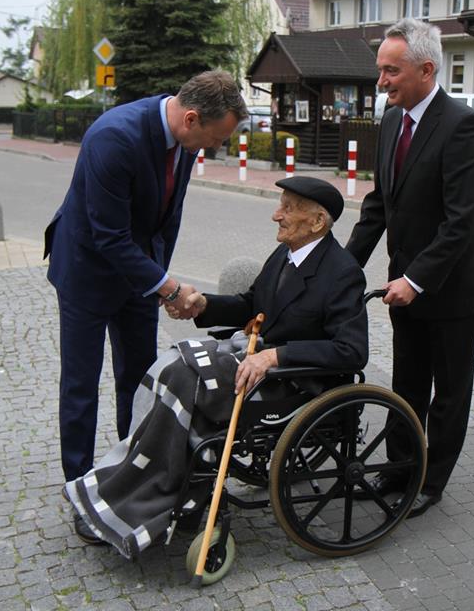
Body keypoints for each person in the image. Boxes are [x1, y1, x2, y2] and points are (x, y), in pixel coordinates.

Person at [64, 176, 368, 556]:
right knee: (172, 366)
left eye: (288, 208)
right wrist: (203, 305)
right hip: (255, 362)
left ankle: (159, 496)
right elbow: (251, 303)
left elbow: (352, 350)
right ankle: (148, 483)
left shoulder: (341, 272)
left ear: (318, 221)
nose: (277, 215)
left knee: (183, 379)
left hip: (293, 380)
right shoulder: (287, 255)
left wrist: (276, 356)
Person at [45, 70, 247, 543]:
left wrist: (162, 283)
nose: (213, 149)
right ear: (192, 117)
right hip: (87, 272)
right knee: (80, 383)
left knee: (138, 380)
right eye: (215, 139)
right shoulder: (113, 138)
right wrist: (168, 288)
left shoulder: (187, 139)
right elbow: (108, 235)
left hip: (138, 276)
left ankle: (129, 475)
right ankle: (80, 489)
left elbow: (166, 219)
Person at [346, 18, 474, 518]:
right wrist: (342, 270)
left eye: (391, 71)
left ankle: (430, 483)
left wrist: (416, 278)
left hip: (449, 291)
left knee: (448, 394)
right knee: (407, 385)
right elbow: (379, 206)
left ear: (426, 69)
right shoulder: (390, 122)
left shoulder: (463, 127)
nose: (381, 81)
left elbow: (461, 222)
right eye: (380, 70)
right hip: (402, 287)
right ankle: (399, 469)